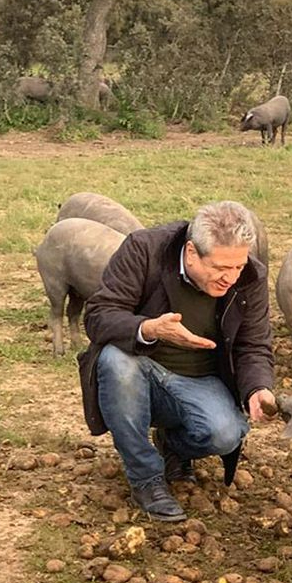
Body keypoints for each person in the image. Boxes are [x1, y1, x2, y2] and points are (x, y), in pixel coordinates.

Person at [77, 200, 277, 521]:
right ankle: (145, 478)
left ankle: (173, 446)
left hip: (201, 379)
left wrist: (257, 388)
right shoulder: (144, 250)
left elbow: (253, 344)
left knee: (225, 434)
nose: (230, 278)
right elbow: (99, 315)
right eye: (220, 268)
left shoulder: (250, 276)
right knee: (115, 360)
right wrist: (149, 329)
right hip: (140, 367)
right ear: (192, 252)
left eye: (238, 267)